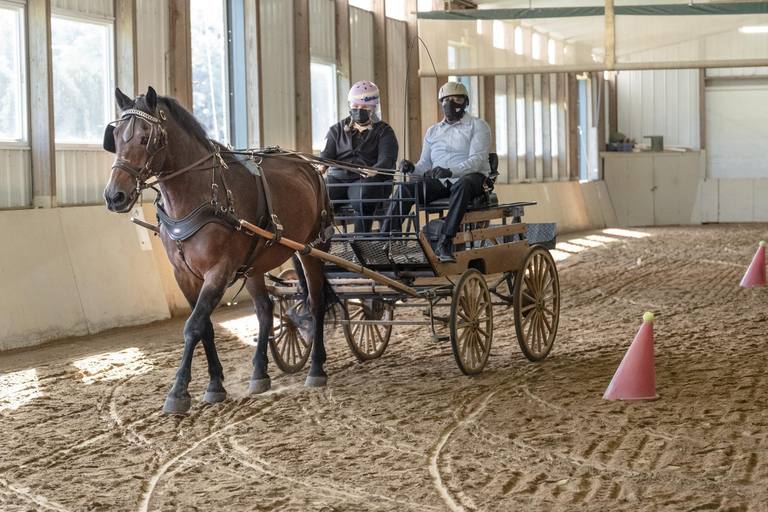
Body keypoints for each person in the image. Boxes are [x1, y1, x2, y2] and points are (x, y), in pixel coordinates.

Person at [384, 81, 491, 262]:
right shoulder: (433, 131)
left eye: (456, 99)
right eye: (446, 100)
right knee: (405, 188)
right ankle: (383, 239)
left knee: (463, 184)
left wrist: (450, 171)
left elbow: (477, 161)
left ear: (465, 102)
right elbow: (424, 164)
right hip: (441, 181)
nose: (450, 103)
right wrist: (412, 168)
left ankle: (445, 241)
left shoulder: (477, 126)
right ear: (441, 103)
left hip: (472, 179)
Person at [320, 80, 398, 232]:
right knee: (318, 194)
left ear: (374, 107)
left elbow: (387, 159)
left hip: (366, 179)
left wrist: (375, 170)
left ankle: (360, 241)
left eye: (364, 107)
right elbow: (326, 155)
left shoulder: (384, 131)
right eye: (355, 107)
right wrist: (321, 166)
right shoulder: (336, 130)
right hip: (338, 178)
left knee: (363, 197)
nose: (359, 110)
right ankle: (318, 239)